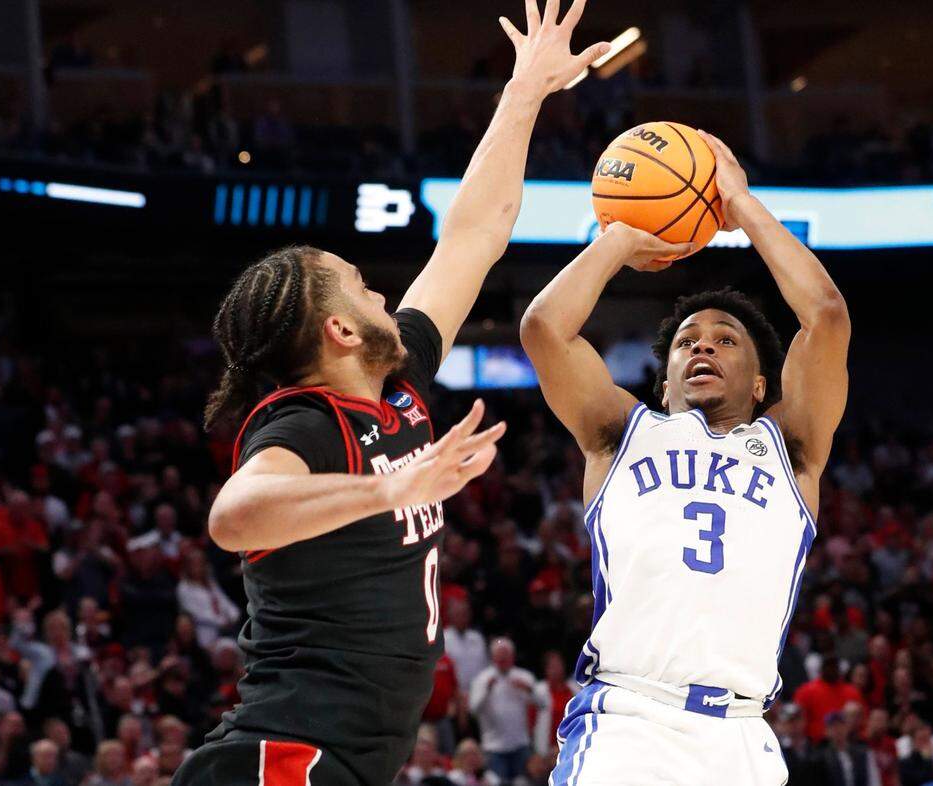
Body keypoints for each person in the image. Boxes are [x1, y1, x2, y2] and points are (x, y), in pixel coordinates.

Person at [172, 5, 609, 784]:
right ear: (340, 332)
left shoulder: (398, 384)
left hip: (346, 761)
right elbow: (233, 517)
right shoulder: (305, 424)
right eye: (364, 289)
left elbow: (476, 230)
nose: (383, 296)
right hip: (283, 758)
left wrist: (526, 93)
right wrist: (394, 487)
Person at [521, 127, 850, 782]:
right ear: (663, 380)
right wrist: (619, 235)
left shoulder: (791, 447)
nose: (703, 347)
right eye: (687, 342)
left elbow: (826, 315)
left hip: (742, 736)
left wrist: (741, 204)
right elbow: (542, 328)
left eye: (726, 340)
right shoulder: (620, 432)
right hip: (628, 724)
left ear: (762, 385)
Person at [469, 638, 536, 782]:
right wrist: (486, 690)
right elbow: (473, 709)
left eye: (506, 656)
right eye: (500, 657)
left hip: (520, 744)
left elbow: (542, 703)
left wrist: (528, 690)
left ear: (512, 657)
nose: (503, 660)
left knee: (522, 782)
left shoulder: (524, 677)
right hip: (494, 747)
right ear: (493, 657)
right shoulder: (482, 679)